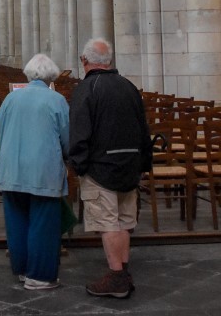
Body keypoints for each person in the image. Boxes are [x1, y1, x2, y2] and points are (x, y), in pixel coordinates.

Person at [68, 38, 152, 299]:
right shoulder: (128, 87)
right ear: (110, 61)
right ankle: (123, 273)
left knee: (108, 224)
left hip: (100, 169)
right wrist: (144, 164)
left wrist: (78, 166)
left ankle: (116, 276)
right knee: (125, 222)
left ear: (85, 61)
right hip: (129, 166)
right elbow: (143, 129)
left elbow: (79, 133)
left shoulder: (87, 89)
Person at [0, 53, 70, 290]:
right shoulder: (56, 100)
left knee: (17, 222)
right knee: (43, 223)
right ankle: (40, 276)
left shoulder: (11, 99)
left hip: (12, 170)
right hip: (42, 172)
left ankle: (23, 270)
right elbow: (67, 139)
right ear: (51, 76)